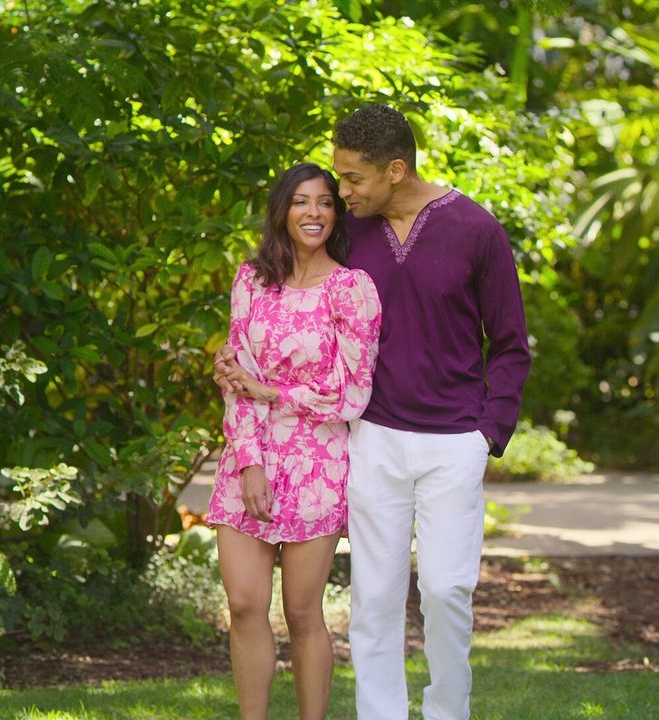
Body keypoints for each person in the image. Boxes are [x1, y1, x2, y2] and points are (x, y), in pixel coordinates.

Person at [220, 104, 530, 720]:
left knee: (446, 588)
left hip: (454, 438)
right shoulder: (351, 231)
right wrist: (235, 366)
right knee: (375, 599)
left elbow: (510, 343)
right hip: (371, 436)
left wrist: (487, 434)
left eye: (352, 178)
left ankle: (447, 712)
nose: (341, 193)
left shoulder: (476, 230)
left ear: (395, 170)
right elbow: (292, 291)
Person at [205, 161, 382, 720]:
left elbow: (352, 392)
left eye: (326, 202)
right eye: (302, 201)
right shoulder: (251, 281)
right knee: (244, 604)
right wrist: (250, 463)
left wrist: (270, 390)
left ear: (336, 214)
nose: (314, 212)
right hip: (250, 456)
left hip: (317, 463)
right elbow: (237, 380)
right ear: (282, 210)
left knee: (303, 613)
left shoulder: (352, 289)